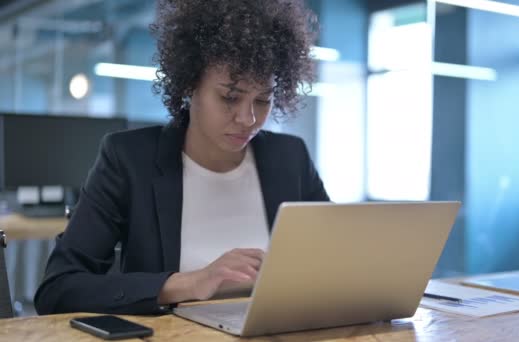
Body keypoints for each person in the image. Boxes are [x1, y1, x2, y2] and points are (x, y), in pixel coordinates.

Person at [34, 0, 329, 315]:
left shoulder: (290, 158)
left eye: (263, 100)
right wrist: (189, 283)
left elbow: (341, 260)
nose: (248, 118)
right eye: (229, 97)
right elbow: (58, 289)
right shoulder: (130, 161)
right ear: (190, 85)